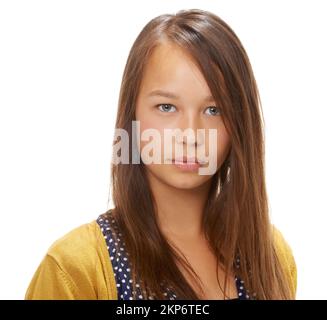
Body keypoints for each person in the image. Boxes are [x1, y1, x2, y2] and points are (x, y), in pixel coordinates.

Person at [25, 9, 297, 300]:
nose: (191, 135)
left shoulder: (271, 255)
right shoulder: (75, 268)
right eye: (167, 107)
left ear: (240, 125)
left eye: (213, 110)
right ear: (133, 116)